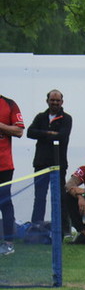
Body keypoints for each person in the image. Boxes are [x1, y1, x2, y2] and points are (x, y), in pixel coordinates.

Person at [26, 90, 72, 232]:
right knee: (39, 197)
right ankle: (36, 227)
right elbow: (30, 132)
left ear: (62, 102)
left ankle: (63, 229)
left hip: (58, 164)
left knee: (59, 197)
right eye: (52, 100)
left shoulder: (66, 118)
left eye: (57, 100)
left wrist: (42, 135)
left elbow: (62, 136)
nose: (55, 103)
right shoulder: (41, 117)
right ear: (47, 101)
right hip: (41, 163)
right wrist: (49, 133)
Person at [0, 94, 24, 256]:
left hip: (3, 165)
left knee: (4, 202)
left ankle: (8, 244)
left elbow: (19, 131)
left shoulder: (9, 104)